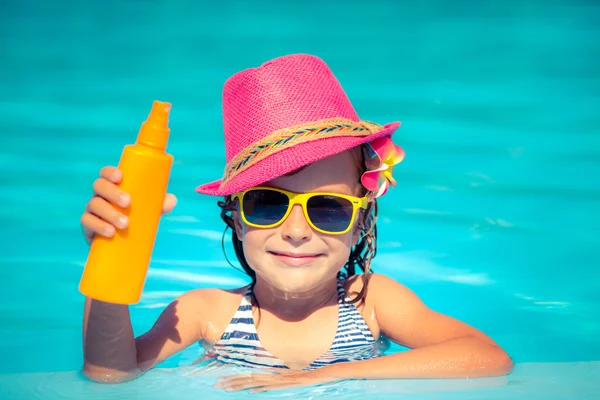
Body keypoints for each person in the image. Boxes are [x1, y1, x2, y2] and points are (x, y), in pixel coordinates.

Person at [80, 54, 513, 393]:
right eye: (267, 204)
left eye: (328, 208)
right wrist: (110, 254)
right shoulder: (206, 312)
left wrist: (327, 377)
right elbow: (111, 374)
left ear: (362, 220)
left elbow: (486, 357)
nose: (296, 230)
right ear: (235, 216)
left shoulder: (371, 303)